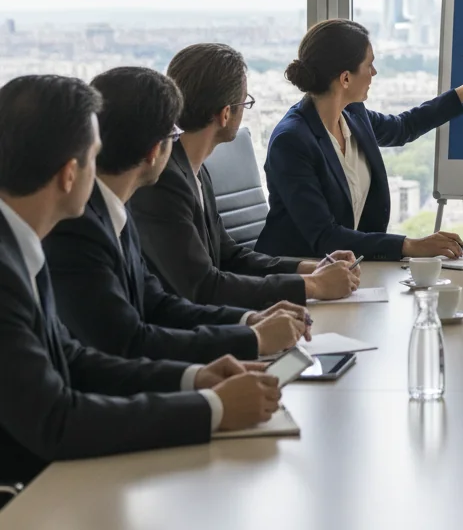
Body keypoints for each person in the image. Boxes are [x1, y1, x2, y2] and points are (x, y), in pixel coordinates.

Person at [0, 75, 280, 485]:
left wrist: (193, 379)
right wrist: (212, 409)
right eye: (94, 158)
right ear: (67, 175)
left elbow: (72, 358)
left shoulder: (21, 242)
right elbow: (56, 420)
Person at [45, 67, 309, 363]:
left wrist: (249, 321)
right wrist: (251, 339)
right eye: (173, 132)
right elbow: (128, 342)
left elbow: (157, 304)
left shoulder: (118, 208)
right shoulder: (81, 230)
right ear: (154, 151)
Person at [130, 44, 360, 309]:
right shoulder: (164, 182)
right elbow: (203, 286)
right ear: (226, 114)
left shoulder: (195, 168)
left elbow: (229, 256)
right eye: (245, 103)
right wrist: (314, 286)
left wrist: (311, 267)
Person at [257, 19, 463, 262]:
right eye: (369, 65)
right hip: (299, 277)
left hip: (349, 269)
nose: (374, 73)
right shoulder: (291, 141)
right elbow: (324, 236)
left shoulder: (354, 114)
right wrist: (410, 245)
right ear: (345, 78)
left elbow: (403, 127)